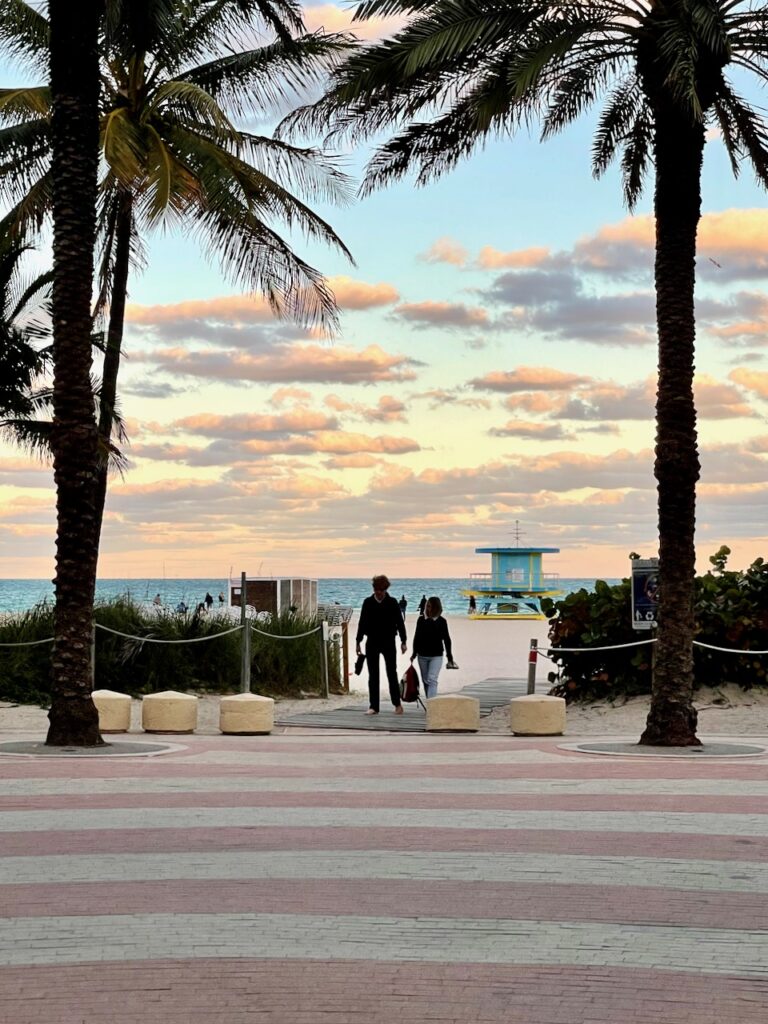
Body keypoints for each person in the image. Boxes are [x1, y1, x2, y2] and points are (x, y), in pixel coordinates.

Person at [356, 574, 407, 716]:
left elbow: (400, 622)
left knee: (391, 672)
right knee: (373, 675)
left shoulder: (392, 602)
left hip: (389, 641)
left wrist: (404, 641)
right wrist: (358, 641)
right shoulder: (368, 602)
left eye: (380, 589)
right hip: (371, 641)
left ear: (385, 589)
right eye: (376, 589)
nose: (378, 592)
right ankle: (374, 706)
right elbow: (362, 622)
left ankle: (397, 704)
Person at [410, 596, 455, 698]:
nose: (428, 609)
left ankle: (431, 705)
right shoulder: (421, 620)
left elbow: (447, 639)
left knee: (432, 679)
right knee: (425, 681)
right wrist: (413, 653)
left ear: (436, 608)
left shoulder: (441, 621)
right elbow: (417, 637)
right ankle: (430, 702)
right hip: (422, 655)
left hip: (436, 655)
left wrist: (450, 657)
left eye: (430, 607)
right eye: (427, 606)